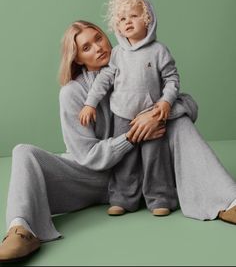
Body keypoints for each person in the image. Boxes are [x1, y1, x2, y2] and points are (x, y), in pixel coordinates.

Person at [0, 20, 236, 263]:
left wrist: (153, 116)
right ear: (77, 58)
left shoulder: (134, 66)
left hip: (144, 169)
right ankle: (22, 230)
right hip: (93, 176)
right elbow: (88, 155)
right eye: (86, 47)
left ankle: (228, 201)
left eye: (98, 38)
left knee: (179, 121)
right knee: (23, 152)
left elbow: (189, 104)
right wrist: (132, 137)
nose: (98, 48)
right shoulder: (72, 93)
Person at [79, 0, 180, 216]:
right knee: (125, 160)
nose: (128, 22)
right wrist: (90, 103)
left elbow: (172, 79)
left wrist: (165, 101)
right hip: (122, 115)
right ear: (116, 25)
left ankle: (160, 198)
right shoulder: (117, 54)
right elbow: (104, 81)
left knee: (155, 158)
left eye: (134, 16)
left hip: (151, 116)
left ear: (147, 19)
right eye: (122, 18)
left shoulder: (159, 51)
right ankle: (123, 198)